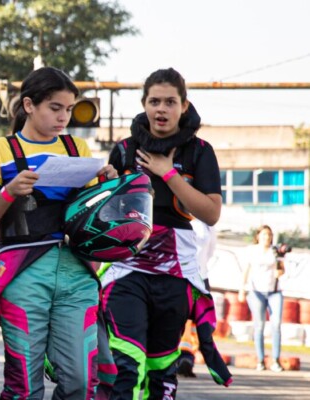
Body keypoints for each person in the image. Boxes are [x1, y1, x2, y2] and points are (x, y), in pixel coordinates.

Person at [0, 67, 113, 400]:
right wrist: (9, 192)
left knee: (81, 382)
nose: (63, 117)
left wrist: (107, 186)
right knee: (24, 388)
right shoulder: (0, 149)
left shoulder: (78, 148)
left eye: (69, 109)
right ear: (29, 105)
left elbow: (94, 217)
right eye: (55, 108)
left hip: (77, 273)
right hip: (23, 275)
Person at [101, 68, 225, 398]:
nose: (161, 109)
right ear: (144, 104)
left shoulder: (199, 151)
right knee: (126, 363)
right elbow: (106, 213)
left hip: (176, 272)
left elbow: (210, 213)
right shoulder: (125, 149)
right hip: (126, 269)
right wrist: (107, 186)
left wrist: (168, 173)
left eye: (170, 102)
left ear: (184, 106)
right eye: (154, 101)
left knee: (161, 370)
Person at [238, 225, 288, 372]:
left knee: (276, 324)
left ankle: (275, 360)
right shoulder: (251, 250)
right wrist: (242, 289)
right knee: (259, 325)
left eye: (270, 235)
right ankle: (260, 360)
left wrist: (280, 270)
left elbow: (281, 269)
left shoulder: (275, 250)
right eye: (265, 234)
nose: (267, 237)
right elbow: (245, 270)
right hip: (256, 291)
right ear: (258, 236)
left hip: (274, 291)